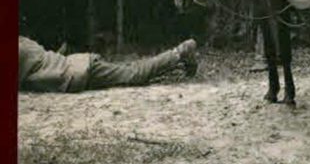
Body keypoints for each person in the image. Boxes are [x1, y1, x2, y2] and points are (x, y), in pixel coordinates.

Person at [19, 36, 198, 93]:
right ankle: (177, 58)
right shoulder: (23, 41)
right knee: (131, 70)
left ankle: (179, 52)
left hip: (80, 72)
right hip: (79, 64)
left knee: (134, 75)